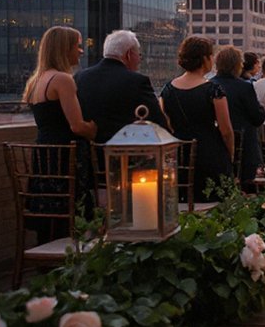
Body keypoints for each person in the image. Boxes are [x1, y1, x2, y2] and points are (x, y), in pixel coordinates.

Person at [22, 26, 97, 243]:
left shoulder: (36, 80)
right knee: (74, 212)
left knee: (52, 215)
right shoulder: (63, 80)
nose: (81, 51)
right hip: (66, 158)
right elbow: (76, 126)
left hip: (45, 157)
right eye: (78, 46)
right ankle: (73, 261)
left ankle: (49, 265)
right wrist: (93, 130)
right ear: (65, 49)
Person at [160, 36, 234, 201]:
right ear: (205, 59)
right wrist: (230, 154)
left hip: (180, 153)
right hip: (209, 151)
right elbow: (226, 130)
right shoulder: (213, 90)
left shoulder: (167, 90)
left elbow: (166, 124)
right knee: (214, 200)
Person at [75, 29, 167, 144]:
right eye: (138, 54)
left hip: (87, 154)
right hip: (124, 153)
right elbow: (158, 121)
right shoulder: (137, 81)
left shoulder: (80, 77)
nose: (139, 60)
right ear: (128, 54)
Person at [212, 46, 265, 188]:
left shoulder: (209, 85)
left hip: (216, 145)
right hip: (245, 145)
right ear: (237, 65)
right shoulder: (244, 87)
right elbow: (257, 117)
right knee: (245, 186)